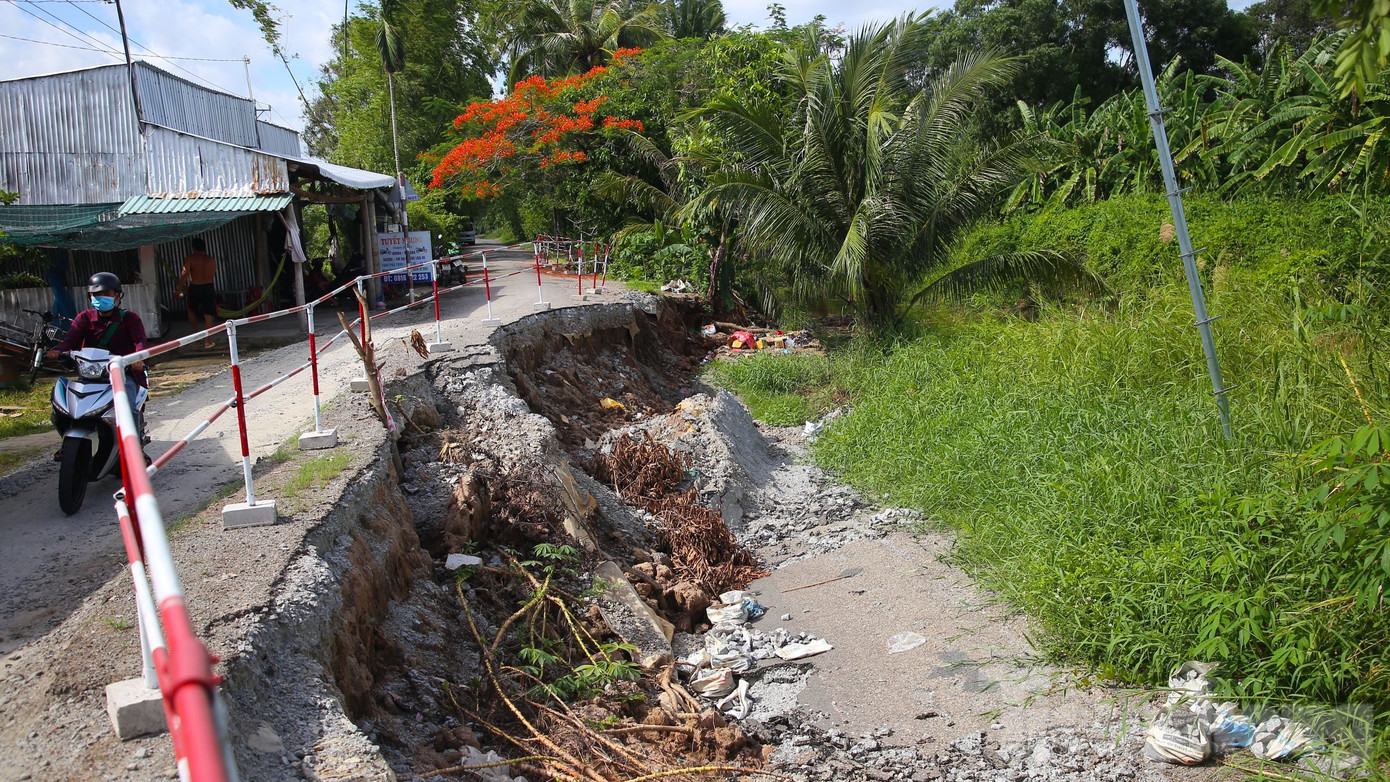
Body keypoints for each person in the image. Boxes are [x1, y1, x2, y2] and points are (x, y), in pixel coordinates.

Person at [45, 272, 149, 459]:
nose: (100, 298)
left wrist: (138, 358)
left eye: (106, 294)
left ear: (117, 296)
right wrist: (57, 351)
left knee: (129, 408)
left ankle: (135, 450)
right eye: (95, 294)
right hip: (91, 374)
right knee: (64, 404)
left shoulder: (130, 319)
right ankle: (67, 443)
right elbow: (69, 341)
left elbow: (140, 342)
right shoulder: (83, 318)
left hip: (123, 375)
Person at [177, 237, 218, 349]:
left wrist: (179, 289)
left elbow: (185, 273)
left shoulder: (190, 258)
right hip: (208, 287)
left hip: (195, 286)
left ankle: (196, 334)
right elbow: (213, 274)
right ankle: (207, 341)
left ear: (193, 248)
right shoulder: (211, 260)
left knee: (191, 310)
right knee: (208, 315)